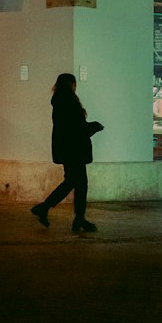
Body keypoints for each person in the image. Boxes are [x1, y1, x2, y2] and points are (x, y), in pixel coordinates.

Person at [31, 73, 104, 234]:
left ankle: (47, 208)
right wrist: (94, 127)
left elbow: (69, 127)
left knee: (71, 182)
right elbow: (76, 128)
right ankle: (76, 217)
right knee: (79, 183)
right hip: (74, 149)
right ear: (71, 84)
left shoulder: (59, 101)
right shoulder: (69, 102)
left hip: (67, 149)